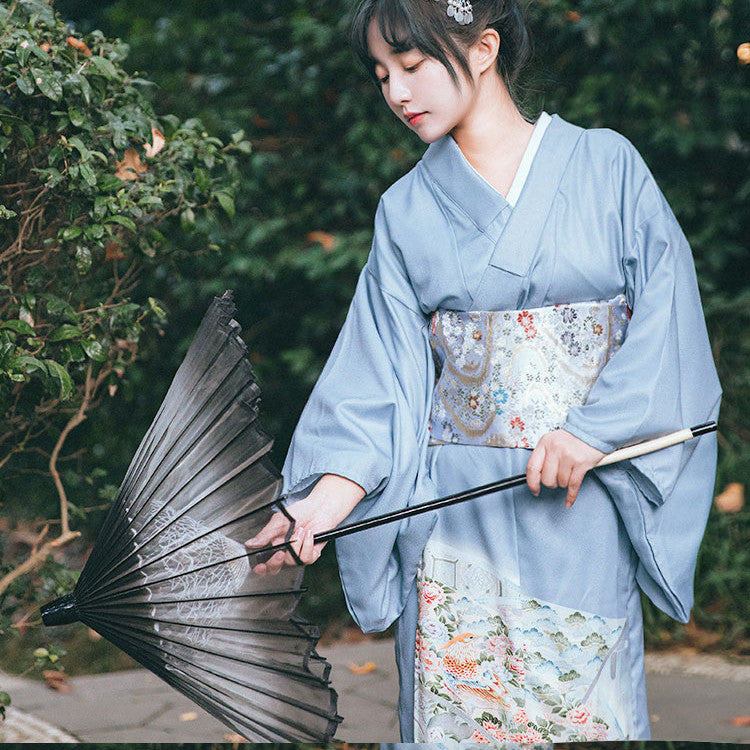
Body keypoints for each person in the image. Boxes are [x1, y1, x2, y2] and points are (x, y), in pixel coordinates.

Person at [246, 0, 721, 744]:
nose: (396, 93)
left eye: (412, 65)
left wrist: (593, 432)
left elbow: (668, 321)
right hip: (451, 514)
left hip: (576, 498)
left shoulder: (607, 165)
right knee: (456, 717)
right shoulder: (405, 211)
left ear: (481, 50)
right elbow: (378, 379)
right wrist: (320, 502)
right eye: (381, 75)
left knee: (580, 714)